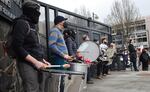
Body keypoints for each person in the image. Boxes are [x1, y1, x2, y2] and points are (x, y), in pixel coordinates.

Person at [12, 1, 51, 92]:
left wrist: (43, 60)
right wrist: (35, 62)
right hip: (26, 64)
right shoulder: (21, 23)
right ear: (29, 11)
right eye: (36, 11)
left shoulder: (33, 26)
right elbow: (17, 47)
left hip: (39, 62)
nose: (38, 13)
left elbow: (35, 46)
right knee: (32, 89)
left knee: (41, 89)